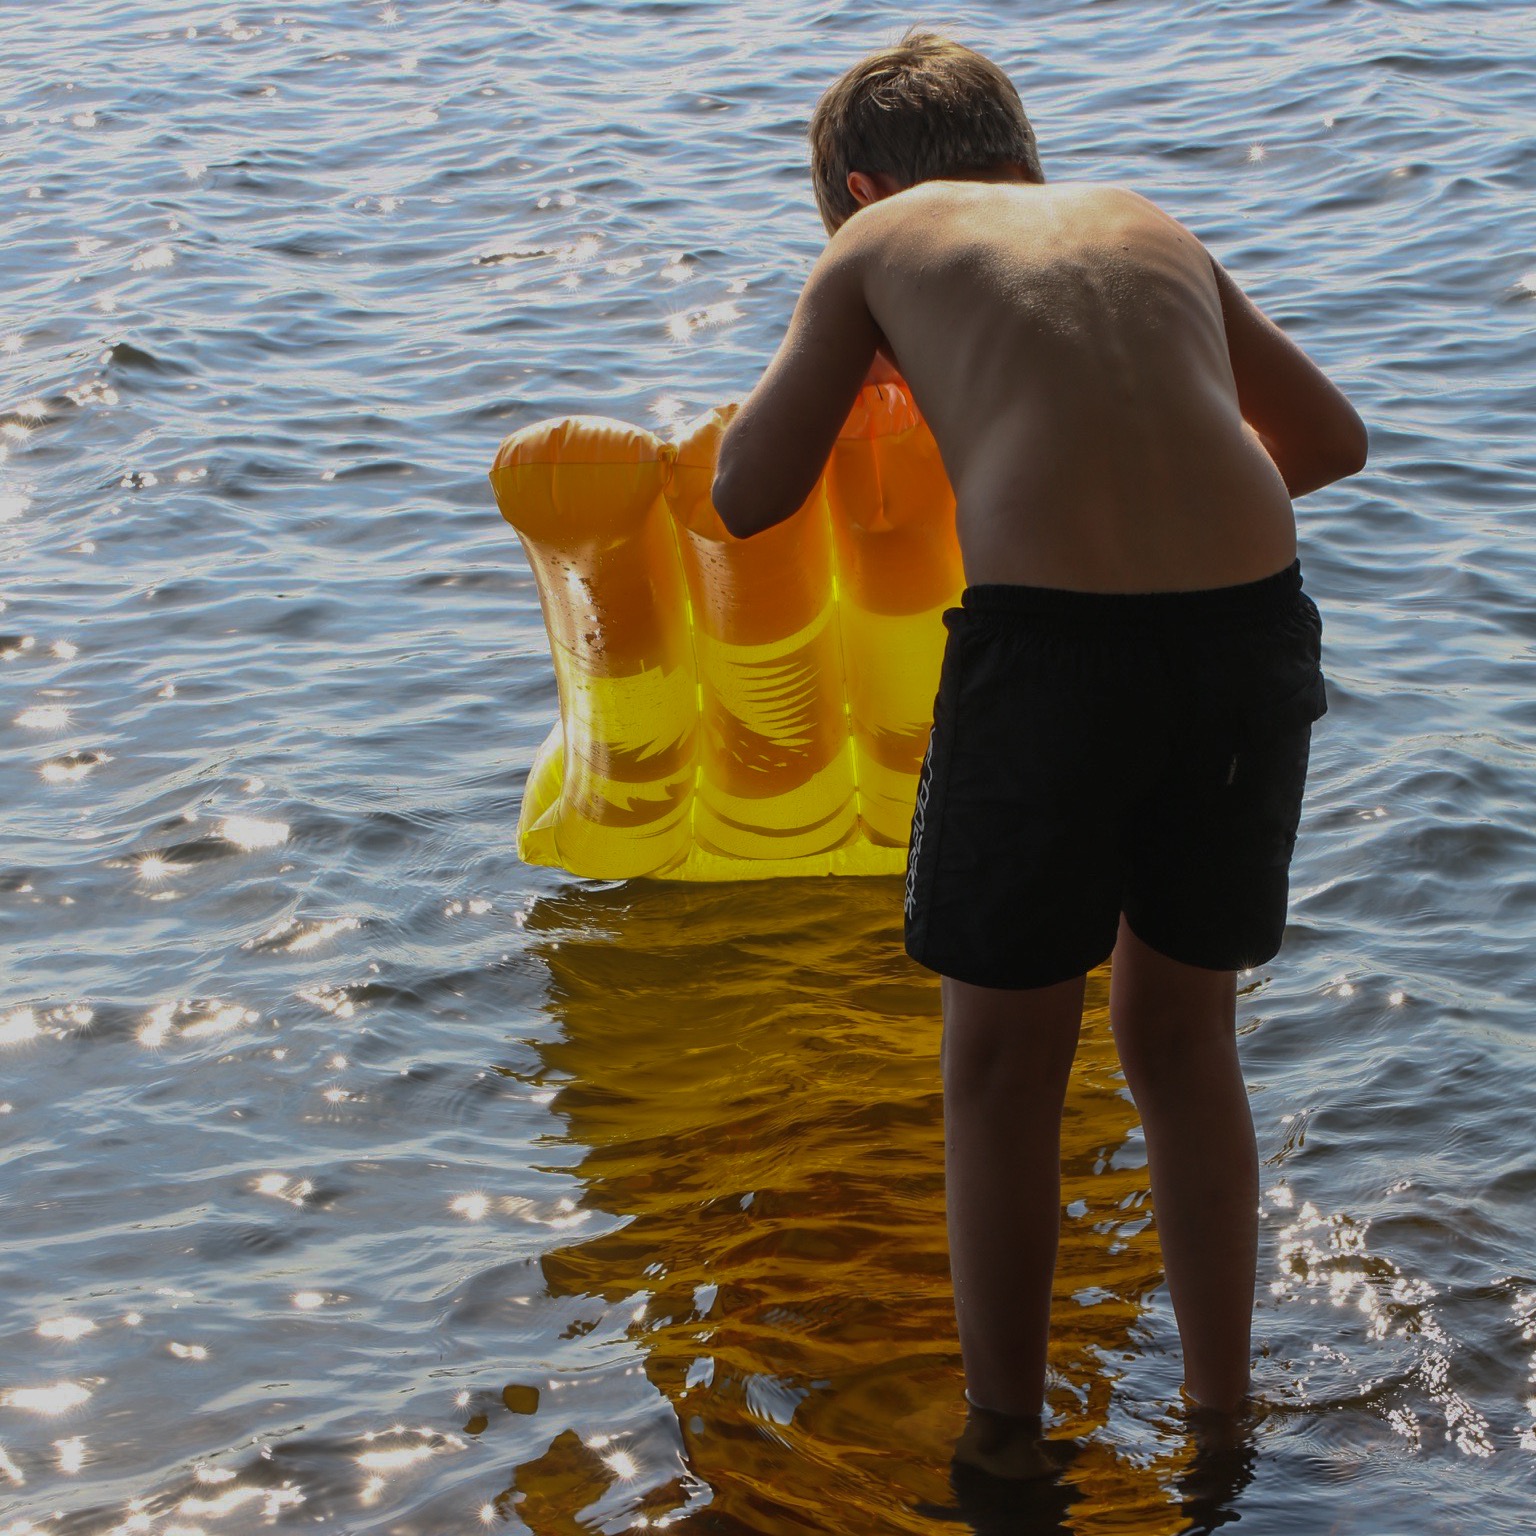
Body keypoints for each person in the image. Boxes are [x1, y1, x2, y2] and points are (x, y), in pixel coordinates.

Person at [711, 29, 1366, 1476]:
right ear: (1023, 155)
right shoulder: (1144, 219)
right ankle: (1221, 1421)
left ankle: (1005, 1441)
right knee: (1183, 1037)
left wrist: (878, 375)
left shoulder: (875, 238)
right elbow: (1330, 440)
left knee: (1005, 1060)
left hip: (1056, 653)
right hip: (1249, 635)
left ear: (860, 187)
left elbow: (749, 493)